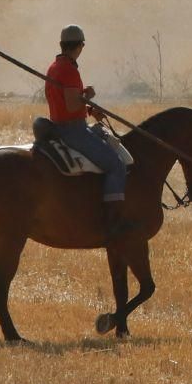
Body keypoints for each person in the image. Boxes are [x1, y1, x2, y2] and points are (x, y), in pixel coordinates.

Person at [45, 25, 132, 240]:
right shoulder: (69, 70)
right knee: (116, 165)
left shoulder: (55, 67)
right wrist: (88, 96)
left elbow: (68, 103)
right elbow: (73, 105)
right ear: (81, 46)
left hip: (60, 125)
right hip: (73, 131)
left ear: (61, 45)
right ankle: (113, 221)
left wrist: (89, 109)